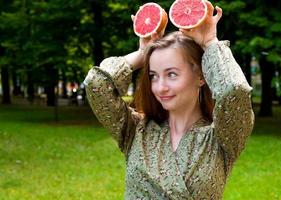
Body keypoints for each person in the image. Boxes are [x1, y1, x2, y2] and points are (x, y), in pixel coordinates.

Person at [84, 1, 254, 199]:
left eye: (171, 74)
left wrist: (210, 44)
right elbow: (96, 84)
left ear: (200, 76)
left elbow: (234, 90)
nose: (160, 87)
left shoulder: (222, 138)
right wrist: (141, 54)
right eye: (153, 75)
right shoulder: (137, 129)